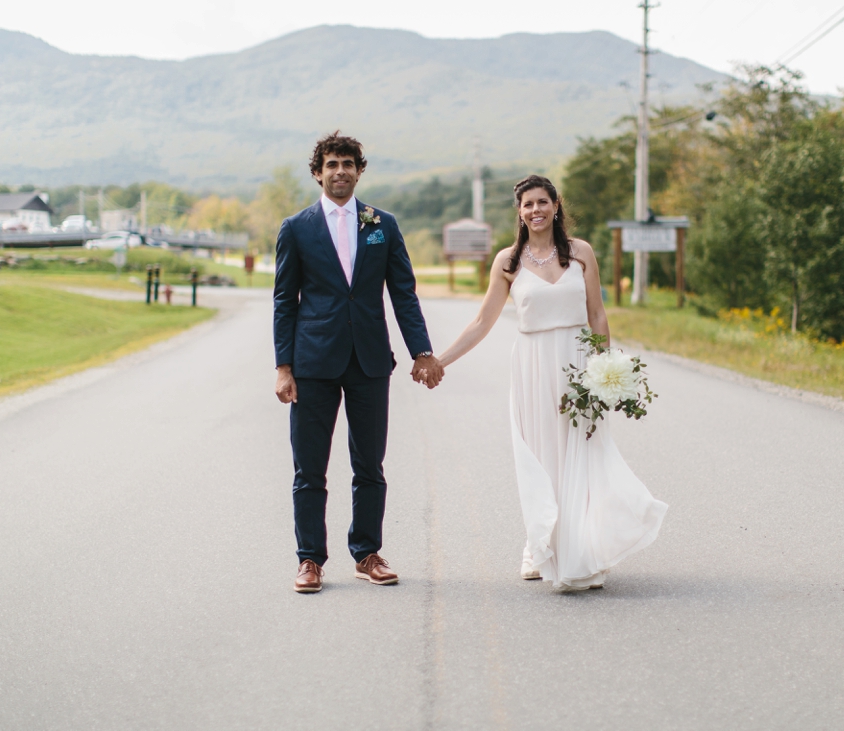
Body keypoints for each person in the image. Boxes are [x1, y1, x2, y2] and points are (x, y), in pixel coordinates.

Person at [436, 175, 667, 591]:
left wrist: (604, 373)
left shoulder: (580, 253)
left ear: (556, 205)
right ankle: (537, 543)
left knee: (580, 453)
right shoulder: (508, 261)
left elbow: (597, 314)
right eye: (527, 204)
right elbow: (482, 321)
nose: (536, 210)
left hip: (577, 363)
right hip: (533, 366)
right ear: (519, 212)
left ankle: (581, 546)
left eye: (543, 202)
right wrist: (441, 360)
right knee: (543, 456)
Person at [273, 131, 444, 594]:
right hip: (312, 363)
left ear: (360, 170)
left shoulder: (381, 225)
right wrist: (283, 365)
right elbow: (284, 300)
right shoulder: (297, 227)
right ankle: (310, 559)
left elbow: (403, 294)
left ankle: (366, 553)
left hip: (369, 361)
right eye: (331, 164)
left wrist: (422, 352)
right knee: (310, 467)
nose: (340, 171)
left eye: (348, 163)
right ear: (317, 172)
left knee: (370, 464)